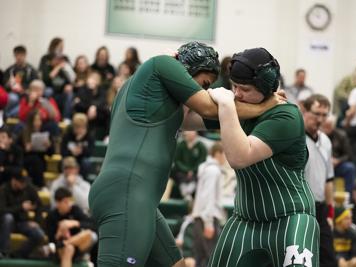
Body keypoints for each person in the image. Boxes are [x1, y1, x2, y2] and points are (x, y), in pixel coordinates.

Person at [88, 42, 281, 267]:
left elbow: (213, 118)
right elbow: (210, 109)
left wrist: (256, 110)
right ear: (187, 71)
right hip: (127, 193)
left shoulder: (149, 93)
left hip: (136, 198)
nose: (204, 91)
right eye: (204, 84)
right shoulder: (161, 64)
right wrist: (269, 106)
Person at [205, 48, 318, 267]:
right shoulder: (240, 108)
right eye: (233, 86)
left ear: (267, 88)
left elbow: (239, 156)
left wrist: (225, 104)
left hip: (291, 218)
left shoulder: (286, 115)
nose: (237, 93)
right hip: (245, 219)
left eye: (244, 88)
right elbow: (187, 119)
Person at [302, 94, 337, 267]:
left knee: (329, 259)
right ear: (304, 111)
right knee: (300, 257)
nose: (320, 119)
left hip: (321, 209)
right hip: (299, 207)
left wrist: (330, 213)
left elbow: (329, 179)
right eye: (316, 114)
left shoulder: (326, 141)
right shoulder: (294, 138)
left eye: (324, 115)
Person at [191, 142, 225, 267]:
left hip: (200, 218)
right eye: (224, 154)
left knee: (200, 258)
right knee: (212, 257)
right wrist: (209, 223)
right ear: (218, 154)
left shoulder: (205, 168)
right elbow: (208, 197)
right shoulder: (213, 171)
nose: (225, 158)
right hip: (207, 219)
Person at [0, 171, 46, 258]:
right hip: (5, 224)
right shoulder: (3, 189)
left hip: (23, 222)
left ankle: (18, 255)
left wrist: (36, 221)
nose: (23, 184)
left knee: (39, 234)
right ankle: (3, 252)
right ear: (14, 180)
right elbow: (2, 210)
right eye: (21, 182)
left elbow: (39, 206)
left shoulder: (28, 188)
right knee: (8, 218)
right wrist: (21, 207)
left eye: (24, 181)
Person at [46, 187, 97, 267]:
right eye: (66, 202)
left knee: (89, 234)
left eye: (70, 201)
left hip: (77, 245)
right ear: (57, 203)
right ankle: (66, 245)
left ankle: (67, 244)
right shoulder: (51, 216)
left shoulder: (75, 210)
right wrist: (59, 233)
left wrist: (75, 223)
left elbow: (93, 224)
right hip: (60, 248)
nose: (69, 204)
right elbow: (51, 241)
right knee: (69, 248)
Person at [321, 116, 356, 195]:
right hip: (321, 166)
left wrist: (338, 161)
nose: (326, 128)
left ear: (333, 126)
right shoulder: (317, 135)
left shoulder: (341, 135)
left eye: (329, 126)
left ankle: (348, 198)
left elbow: (348, 155)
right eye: (325, 125)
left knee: (350, 168)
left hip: (336, 165)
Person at [3, 45, 39, 117]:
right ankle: (7, 116)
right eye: (16, 55)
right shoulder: (10, 69)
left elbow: (36, 84)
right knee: (12, 98)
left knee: (28, 101)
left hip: (27, 94)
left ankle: (8, 115)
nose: (19, 57)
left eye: (21, 55)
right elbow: (4, 86)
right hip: (14, 93)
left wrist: (27, 91)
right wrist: (8, 83)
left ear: (25, 55)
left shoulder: (31, 70)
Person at [171, 131, 207, 200]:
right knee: (178, 174)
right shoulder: (181, 145)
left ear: (195, 134)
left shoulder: (201, 146)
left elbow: (202, 161)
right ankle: (186, 194)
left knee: (198, 176)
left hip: (196, 172)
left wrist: (192, 170)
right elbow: (177, 160)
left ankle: (188, 193)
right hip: (181, 171)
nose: (188, 134)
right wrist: (186, 170)